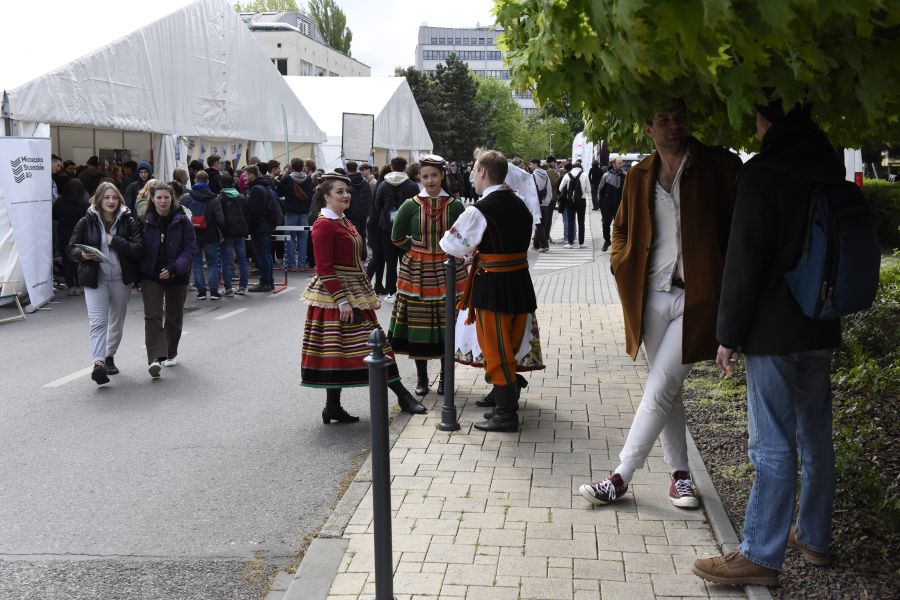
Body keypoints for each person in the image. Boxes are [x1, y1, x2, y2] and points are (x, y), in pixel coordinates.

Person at [691, 101, 843, 586]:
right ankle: (814, 538)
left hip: (774, 330)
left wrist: (727, 335)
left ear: (768, 121)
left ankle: (759, 554)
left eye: (756, 118)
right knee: (815, 433)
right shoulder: (828, 167)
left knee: (771, 442)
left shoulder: (762, 174)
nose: (752, 127)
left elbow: (744, 261)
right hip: (819, 321)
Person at [576, 100, 741, 509]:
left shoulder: (715, 166)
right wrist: (620, 264)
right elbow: (620, 228)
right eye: (662, 119)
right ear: (648, 128)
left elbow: (738, 227)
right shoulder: (639, 174)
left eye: (679, 118)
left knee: (662, 383)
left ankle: (620, 476)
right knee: (669, 390)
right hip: (651, 295)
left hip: (699, 297)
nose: (673, 126)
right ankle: (681, 477)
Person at [301, 172, 425, 422]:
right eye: (339, 192)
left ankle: (334, 407)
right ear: (326, 196)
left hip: (353, 291)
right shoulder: (323, 225)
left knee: (355, 348)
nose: (346, 195)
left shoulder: (343, 221)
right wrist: (342, 300)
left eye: (347, 191)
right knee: (348, 349)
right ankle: (401, 396)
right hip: (336, 296)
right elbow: (324, 267)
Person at [440, 148, 537, 432]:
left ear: (483, 171)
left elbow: (452, 245)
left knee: (495, 350)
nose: (472, 174)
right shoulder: (520, 204)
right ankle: (505, 405)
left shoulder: (480, 209)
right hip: (520, 282)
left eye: (474, 169)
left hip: (493, 285)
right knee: (512, 343)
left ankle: (506, 414)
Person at [389, 155, 467, 397]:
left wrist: (458, 251)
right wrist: (416, 249)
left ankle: (445, 378)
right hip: (417, 271)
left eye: (434, 175)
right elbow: (396, 237)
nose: (430, 180)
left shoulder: (456, 205)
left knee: (449, 324)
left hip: (449, 268)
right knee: (418, 324)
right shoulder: (410, 205)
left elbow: (465, 236)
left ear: (442, 175)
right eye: (425, 176)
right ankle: (422, 378)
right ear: (419, 178)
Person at [66, 182, 144, 384]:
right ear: (99, 199)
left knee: (116, 321)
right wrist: (82, 254)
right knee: (98, 322)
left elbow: (138, 249)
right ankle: (98, 363)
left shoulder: (128, 220)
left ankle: (109, 356)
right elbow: (70, 249)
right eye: (107, 197)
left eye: (115, 197)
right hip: (95, 279)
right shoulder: (86, 221)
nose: (111, 201)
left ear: (119, 200)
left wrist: (114, 241)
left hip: (120, 279)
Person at [139, 183, 196, 377]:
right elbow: (138, 248)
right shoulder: (144, 221)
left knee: (174, 315)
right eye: (159, 198)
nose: (163, 201)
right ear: (152, 199)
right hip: (151, 275)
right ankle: (155, 357)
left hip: (176, 275)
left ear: (172, 199)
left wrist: (173, 268)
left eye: (166, 197)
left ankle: (170, 352)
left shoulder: (183, 222)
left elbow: (189, 250)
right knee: (153, 316)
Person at [368, 156, 419, 300]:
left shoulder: (383, 184)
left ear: (391, 167)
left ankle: (391, 292)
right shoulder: (412, 185)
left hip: (386, 229)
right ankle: (406, 291)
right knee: (406, 262)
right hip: (407, 229)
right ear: (405, 167)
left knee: (390, 263)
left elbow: (377, 206)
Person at [184, 170, 225, 299]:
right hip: (210, 234)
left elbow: (182, 215)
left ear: (195, 180)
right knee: (212, 263)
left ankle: (201, 292)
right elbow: (220, 218)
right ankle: (213, 292)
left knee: (197, 263)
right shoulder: (214, 198)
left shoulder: (187, 197)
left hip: (192, 234)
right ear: (207, 181)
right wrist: (222, 233)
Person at [54, 179, 91, 295]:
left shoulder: (59, 202)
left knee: (67, 260)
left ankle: (71, 285)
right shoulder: (85, 205)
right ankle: (80, 284)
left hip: (64, 234)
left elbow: (55, 216)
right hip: (80, 235)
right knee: (80, 260)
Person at [218, 173, 251, 296]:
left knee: (226, 261)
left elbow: (220, 217)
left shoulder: (220, 198)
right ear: (233, 183)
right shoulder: (242, 197)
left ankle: (228, 288)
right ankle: (242, 287)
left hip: (227, 233)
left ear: (220, 184)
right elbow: (247, 214)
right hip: (240, 231)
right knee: (242, 260)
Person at [246, 165, 277, 292]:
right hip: (266, 225)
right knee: (266, 254)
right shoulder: (264, 187)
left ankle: (265, 282)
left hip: (259, 226)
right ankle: (269, 281)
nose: (245, 178)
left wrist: (251, 226)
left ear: (252, 174)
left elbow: (255, 212)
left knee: (262, 255)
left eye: (246, 175)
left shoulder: (256, 190)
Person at [280, 157, 313, 271]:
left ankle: (291, 265)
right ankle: (302, 265)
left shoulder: (287, 179)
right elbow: (310, 195)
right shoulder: (308, 179)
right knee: (303, 238)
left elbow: (280, 191)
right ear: (302, 166)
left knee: (290, 238)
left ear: (291, 166)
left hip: (290, 211)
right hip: (304, 212)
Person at [558, 161, 590, 248]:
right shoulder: (584, 175)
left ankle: (570, 243)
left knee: (571, 221)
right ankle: (581, 243)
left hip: (570, 201)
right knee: (581, 221)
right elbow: (589, 190)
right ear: (580, 167)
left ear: (573, 167)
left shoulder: (567, 175)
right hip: (581, 200)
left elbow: (560, 188)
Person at [597, 157, 626, 251]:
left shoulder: (626, 176)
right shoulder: (606, 176)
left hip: (620, 205)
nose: (621, 165)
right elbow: (600, 190)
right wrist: (600, 204)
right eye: (619, 163)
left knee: (620, 225)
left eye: (622, 163)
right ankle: (607, 241)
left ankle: (619, 244)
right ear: (613, 164)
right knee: (605, 224)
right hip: (607, 205)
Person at [345, 161, 372, 263]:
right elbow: (370, 198)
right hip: (364, 214)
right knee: (362, 235)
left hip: (350, 214)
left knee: (352, 236)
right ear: (357, 168)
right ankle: (363, 256)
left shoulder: (347, 183)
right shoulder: (365, 183)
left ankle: (353, 257)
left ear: (347, 169)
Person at [529, 158, 551, 252]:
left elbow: (531, 190)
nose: (530, 166)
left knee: (538, 223)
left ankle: (544, 245)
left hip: (537, 202)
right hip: (545, 201)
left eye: (531, 164)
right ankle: (536, 244)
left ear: (535, 164)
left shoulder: (533, 176)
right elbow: (549, 188)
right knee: (540, 222)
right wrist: (548, 200)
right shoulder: (546, 174)